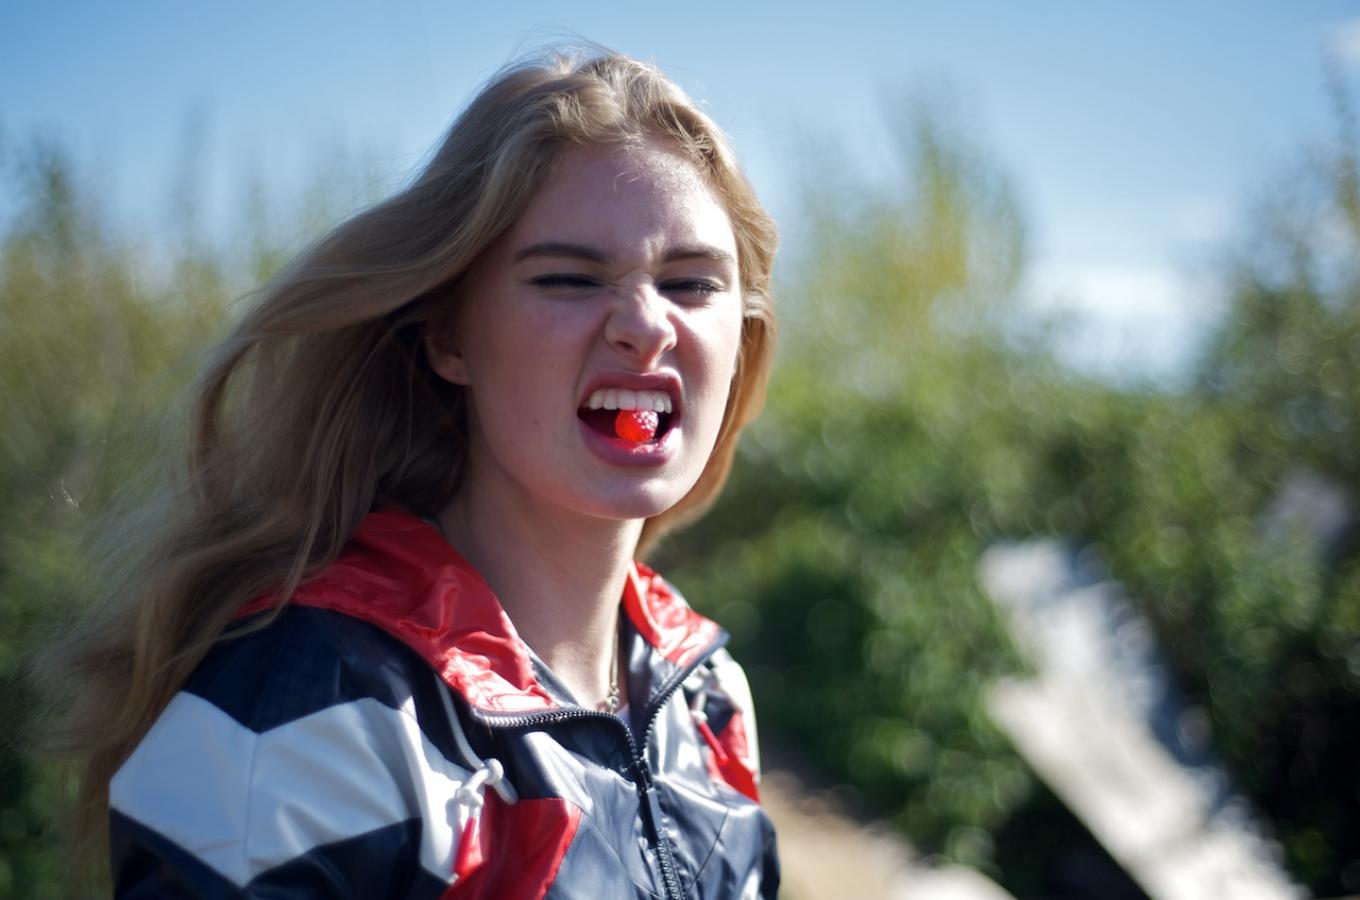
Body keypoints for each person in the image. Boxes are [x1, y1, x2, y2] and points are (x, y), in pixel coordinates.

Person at [44, 48, 779, 898]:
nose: (645, 326)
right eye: (570, 279)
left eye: (692, 283)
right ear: (448, 336)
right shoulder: (316, 703)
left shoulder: (707, 693)